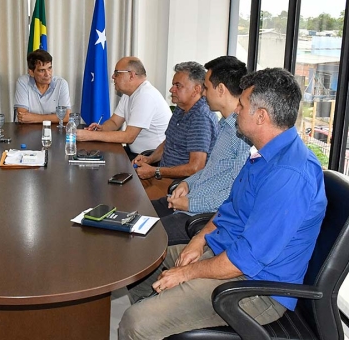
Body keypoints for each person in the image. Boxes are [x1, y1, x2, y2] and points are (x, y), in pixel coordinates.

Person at [119, 68, 327, 339]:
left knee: (135, 322)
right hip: (223, 255)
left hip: (255, 286)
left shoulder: (289, 175)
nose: (237, 109)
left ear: (261, 116)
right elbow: (229, 207)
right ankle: (165, 323)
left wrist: (187, 273)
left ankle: (154, 323)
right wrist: (199, 240)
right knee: (141, 264)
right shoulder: (262, 155)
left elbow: (245, 260)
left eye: (242, 105)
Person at [151, 56, 251, 245]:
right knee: (140, 214)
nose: (203, 94)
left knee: (144, 237)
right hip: (191, 199)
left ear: (220, 89)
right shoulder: (224, 125)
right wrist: (187, 184)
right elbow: (209, 169)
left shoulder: (243, 135)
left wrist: (190, 203)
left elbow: (234, 194)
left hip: (202, 214)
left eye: (206, 87)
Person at [133, 61, 218, 180]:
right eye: (173, 85)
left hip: (177, 185)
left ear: (196, 89)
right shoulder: (181, 108)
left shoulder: (200, 118)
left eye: (178, 86)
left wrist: (155, 171)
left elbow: (196, 167)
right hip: (162, 176)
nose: (171, 89)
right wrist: (149, 159)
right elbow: (169, 142)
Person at [77, 57, 172, 160]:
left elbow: (128, 137)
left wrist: (90, 136)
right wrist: (101, 129)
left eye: (117, 73)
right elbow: (114, 122)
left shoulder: (146, 95)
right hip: (135, 153)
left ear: (131, 75)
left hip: (151, 158)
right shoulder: (129, 94)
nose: (113, 76)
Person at [14, 49, 72, 123]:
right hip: (27, 130)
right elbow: (22, 116)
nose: (47, 74)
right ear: (31, 72)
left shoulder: (61, 83)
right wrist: (55, 117)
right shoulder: (23, 82)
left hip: (54, 131)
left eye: (49, 68)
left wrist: (35, 118)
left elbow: (67, 116)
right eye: (42, 70)